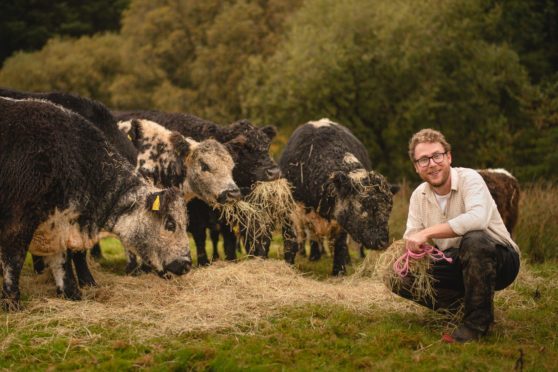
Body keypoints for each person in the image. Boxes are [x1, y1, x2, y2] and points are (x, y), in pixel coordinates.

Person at [390, 128, 520, 343]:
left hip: (499, 259)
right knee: (395, 276)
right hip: (455, 260)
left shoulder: (470, 179)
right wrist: (414, 246)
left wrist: (427, 233)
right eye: (423, 160)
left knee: (475, 239)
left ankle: (475, 326)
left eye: (437, 156)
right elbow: (412, 234)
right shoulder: (418, 196)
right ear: (416, 167)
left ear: (448, 157)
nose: (431, 164)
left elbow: (477, 219)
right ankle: (464, 307)